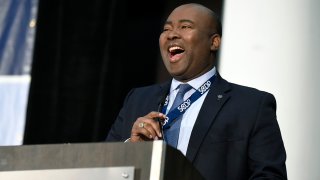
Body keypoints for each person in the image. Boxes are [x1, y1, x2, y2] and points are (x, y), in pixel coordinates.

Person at [106, 3, 287, 180]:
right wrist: (131, 147)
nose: (172, 35)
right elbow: (100, 168)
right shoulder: (137, 100)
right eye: (166, 29)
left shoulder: (251, 106)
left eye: (185, 26)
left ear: (214, 42)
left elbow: (269, 175)